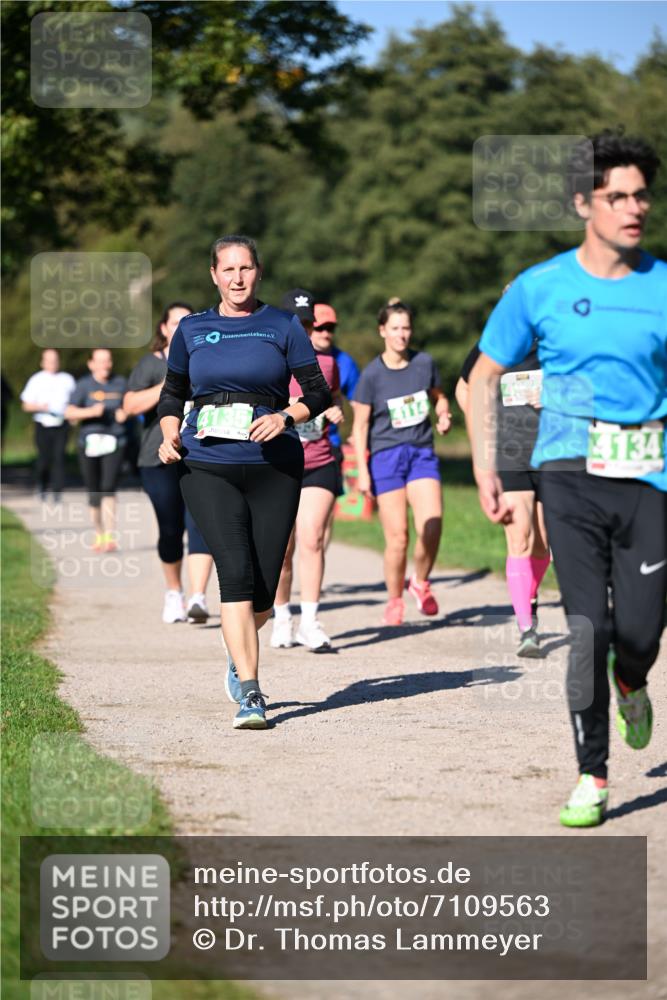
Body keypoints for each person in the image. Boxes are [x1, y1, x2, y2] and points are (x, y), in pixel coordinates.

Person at [467, 131, 666, 828]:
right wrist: (488, 464)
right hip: (568, 477)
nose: (632, 208)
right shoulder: (540, 287)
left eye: (641, 195)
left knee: (638, 631)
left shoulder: (663, 287)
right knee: (586, 627)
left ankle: (632, 681)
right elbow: (482, 377)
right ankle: (592, 774)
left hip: (647, 479)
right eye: (617, 196)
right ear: (584, 203)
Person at [157, 236, 332, 730]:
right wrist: (171, 435)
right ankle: (252, 695)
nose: (237, 278)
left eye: (246, 268)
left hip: (273, 463)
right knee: (233, 571)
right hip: (206, 461)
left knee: (262, 589)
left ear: (258, 272)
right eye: (228, 269)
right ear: (213, 274)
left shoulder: (281, 325)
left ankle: (239, 649)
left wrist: (286, 417)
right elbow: (172, 396)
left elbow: (317, 391)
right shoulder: (192, 329)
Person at [351, 300, 452, 625]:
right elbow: (360, 427)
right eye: (395, 328)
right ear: (383, 331)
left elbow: (439, 396)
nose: (402, 334)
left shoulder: (424, 363)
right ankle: (395, 599)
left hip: (421, 453)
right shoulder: (371, 375)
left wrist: (443, 413)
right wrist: (363, 474)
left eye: (406, 328)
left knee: (432, 523)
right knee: (398, 538)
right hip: (386, 458)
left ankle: (420, 582)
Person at [456, 336, 550, 657]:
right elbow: (464, 387)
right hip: (509, 454)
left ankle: (529, 595)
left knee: (543, 543)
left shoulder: (554, 340)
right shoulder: (494, 345)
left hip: (551, 452)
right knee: (520, 536)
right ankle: (526, 627)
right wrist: (483, 426)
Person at [124, 303, 214, 624]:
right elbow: (130, 405)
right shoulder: (150, 364)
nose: (181, 328)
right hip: (156, 458)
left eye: (188, 323)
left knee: (201, 523)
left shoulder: (205, 359)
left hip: (200, 454)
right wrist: (171, 384)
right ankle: (174, 592)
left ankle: (198, 597)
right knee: (171, 528)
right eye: (176, 322)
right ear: (163, 328)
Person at [270, 289, 345, 651]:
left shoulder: (327, 363)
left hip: (319, 460)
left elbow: (335, 397)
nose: (301, 329)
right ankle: (282, 616)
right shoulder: (267, 362)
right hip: (280, 462)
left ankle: (311, 622)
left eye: (307, 323)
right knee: (283, 551)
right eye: (295, 323)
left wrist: (334, 410)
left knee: (312, 537)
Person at [65, 348, 127, 550]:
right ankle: (98, 534)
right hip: (89, 443)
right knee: (94, 491)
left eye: (108, 361)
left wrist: (124, 414)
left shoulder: (120, 383)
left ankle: (109, 536)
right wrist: (91, 411)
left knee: (108, 487)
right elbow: (69, 413)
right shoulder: (83, 385)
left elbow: (130, 406)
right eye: (100, 361)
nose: (105, 365)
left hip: (115, 441)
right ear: (91, 364)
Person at [312, 301, 360, 548]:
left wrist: (355, 430)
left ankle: (316, 559)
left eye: (330, 327)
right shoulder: (289, 357)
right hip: (292, 445)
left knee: (324, 517)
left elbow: (360, 404)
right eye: (320, 327)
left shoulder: (345, 362)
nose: (326, 333)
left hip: (330, 446)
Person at [20, 349, 75, 503]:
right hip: (43, 423)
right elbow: (25, 405)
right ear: (42, 362)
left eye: (55, 360)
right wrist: (40, 407)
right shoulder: (36, 380)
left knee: (59, 458)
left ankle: (57, 491)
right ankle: (42, 485)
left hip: (62, 423)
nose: (52, 364)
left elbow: (75, 401)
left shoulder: (67, 379)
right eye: (49, 361)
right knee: (44, 459)